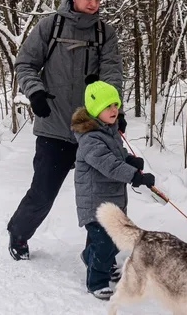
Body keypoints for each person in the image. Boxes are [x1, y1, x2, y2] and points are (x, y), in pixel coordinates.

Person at [7, 0, 125, 260]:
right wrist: (35, 93)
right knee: (43, 192)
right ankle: (19, 233)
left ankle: (96, 254)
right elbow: (25, 64)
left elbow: (112, 73)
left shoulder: (104, 33)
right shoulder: (50, 26)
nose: (94, 3)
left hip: (93, 130)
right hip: (54, 126)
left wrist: (114, 109)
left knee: (100, 196)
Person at [72, 79, 154, 300]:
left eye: (116, 105)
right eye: (108, 106)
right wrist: (135, 176)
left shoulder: (110, 132)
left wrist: (130, 161)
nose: (114, 109)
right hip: (95, 201)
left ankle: (93, 258)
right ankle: (96, 281)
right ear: (95, 110)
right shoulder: (90, 139)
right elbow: (108, 165)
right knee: (106, 241)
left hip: (111, 199)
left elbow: (117, 157)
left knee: (113, 239)